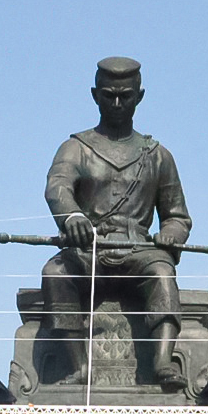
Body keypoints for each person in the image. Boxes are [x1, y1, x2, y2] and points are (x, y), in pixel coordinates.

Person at [41, 56, 192, 387]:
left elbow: (177, 216)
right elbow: (58, 188)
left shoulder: (157, 155)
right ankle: (79, 366)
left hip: (137, 250)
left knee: (163, 272)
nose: (118, 103)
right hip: (89, 250)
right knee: (55, 272)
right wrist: (72, 217)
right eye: (109, 95)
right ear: (95, 95)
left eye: (126, 95)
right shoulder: (76, 148)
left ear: (139, 96)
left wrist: (169, 235)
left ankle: (164, 363)